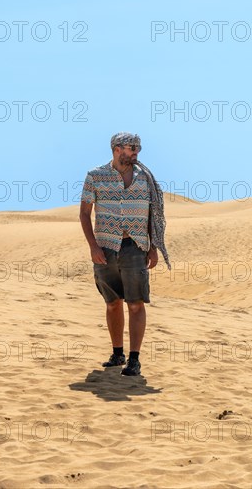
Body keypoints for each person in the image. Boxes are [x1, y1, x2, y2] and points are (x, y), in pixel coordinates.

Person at [79, 132, 171, 376]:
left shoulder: (146, 179)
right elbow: (84, 214)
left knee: (136, 304)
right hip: (105, 247)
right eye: (132, 148)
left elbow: (154, 216)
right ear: (117, 148)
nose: (136, 153)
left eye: (138, 149)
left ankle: (134, 359)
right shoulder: (95, 176)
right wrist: (93, 246)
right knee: (112, 304)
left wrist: (153, 247)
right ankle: (117, 353)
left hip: (135, 247)